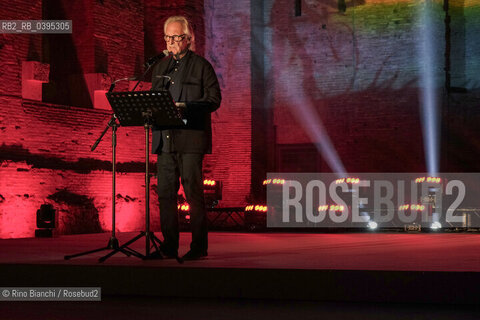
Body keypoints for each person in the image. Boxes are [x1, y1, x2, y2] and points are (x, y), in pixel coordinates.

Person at [151, 16, 221, 260]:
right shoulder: (160, 67)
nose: (171, 42)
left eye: (177, 37)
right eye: (168, 37)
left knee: (193, 193)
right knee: (165, 194)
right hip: (165, 140)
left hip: (190, 140)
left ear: (188, 39)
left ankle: (199, 247)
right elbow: (154, 100)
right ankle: (169, 246)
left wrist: (186, 106)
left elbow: (214, 100)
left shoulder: (202, 66)